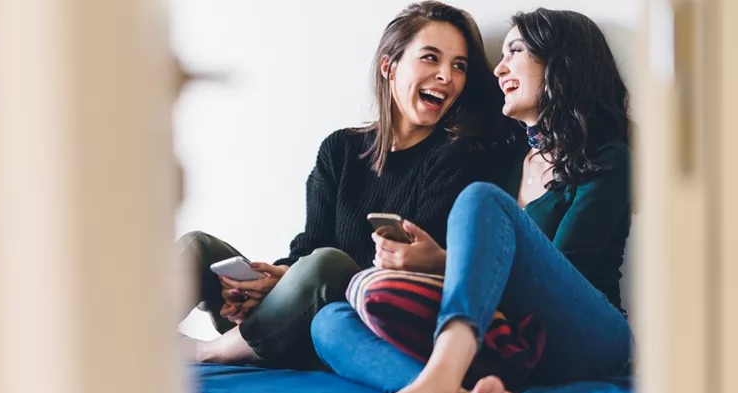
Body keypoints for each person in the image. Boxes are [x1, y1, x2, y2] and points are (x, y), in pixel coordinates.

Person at [311, 8, 633, 393]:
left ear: (560, 63)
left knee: (480, 199)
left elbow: (564, 271)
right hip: (509, 343)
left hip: (588, 339)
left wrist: (441, 261)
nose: (500, 68)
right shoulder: (505, 160)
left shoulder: (607, 158)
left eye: (515, 51)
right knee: (329, 322)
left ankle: (439, 379)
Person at [178, 0, 511, 370]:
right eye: (431, 58)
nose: (447, 76)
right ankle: (126, 337)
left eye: (459, 66)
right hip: (285, 318)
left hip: (343, 325)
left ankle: (208, 351)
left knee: (331, 264)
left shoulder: (454, 157)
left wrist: (304, 277)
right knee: (199, 247)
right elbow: (310, 244)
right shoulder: (340, 148)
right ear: (389, 66)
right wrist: (269, 282)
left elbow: (400, 270)